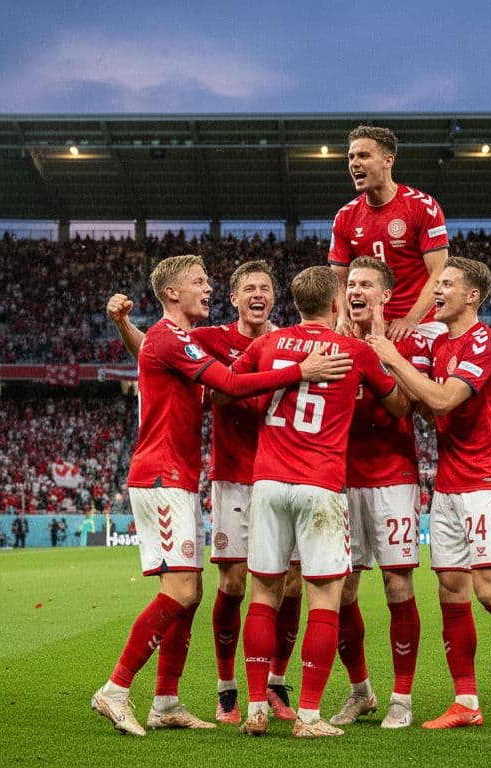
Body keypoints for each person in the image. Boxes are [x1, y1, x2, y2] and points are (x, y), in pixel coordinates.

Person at [90, 254, 352, 737]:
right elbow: (226, 381)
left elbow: (155, 357)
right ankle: (116, 688)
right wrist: (302, 370)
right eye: (199, 282)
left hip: (188, 477)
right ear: (173, 293)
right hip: (165, 476)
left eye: (208, 281)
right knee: (190, 591)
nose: (206, 288)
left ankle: (166, 700)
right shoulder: (174, 339)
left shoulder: (190, 340)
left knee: (193, 596)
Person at [368, 256, 491, 730]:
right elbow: (430, 410)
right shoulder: (441, 347)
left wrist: (392, 362)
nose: (438, 290)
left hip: (486, 478)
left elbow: (445, 399)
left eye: (447, 284)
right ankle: (466, 701)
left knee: (490, 591)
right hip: (449, 479)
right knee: (452, 591)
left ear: (471, 296)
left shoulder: (484, 343)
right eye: (439, 283)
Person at [234, 265, 408, 738]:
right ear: (335, 304)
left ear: (294, 305)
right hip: (321, 485)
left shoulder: (268, 345)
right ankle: (309, 715)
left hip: (268, 483)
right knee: (324, 599)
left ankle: (255, 708)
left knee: (264, 595)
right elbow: (398, 405)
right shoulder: (352, 351)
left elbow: (228, 387)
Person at [328, 257, 430, 729]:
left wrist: (383, 355)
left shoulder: (408, 342)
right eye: (351, 283)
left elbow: (410, 404)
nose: (356, 289)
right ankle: (360, 690)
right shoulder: (332, 341)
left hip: (393, 476)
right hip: (342, 479)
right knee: (343, 588)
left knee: (397, 585)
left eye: (366, 283)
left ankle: (402, 697)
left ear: (386, 295)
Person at [329, 125, 450, 341]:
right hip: (367, 326)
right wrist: (342, 317)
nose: (355, 163)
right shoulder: (345, 216)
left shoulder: (422, 206)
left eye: (364, 155)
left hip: (422, 324)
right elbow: (338, 279)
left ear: (388, 161)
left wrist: (411, 320)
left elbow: (439, 272)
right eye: (351, 157)